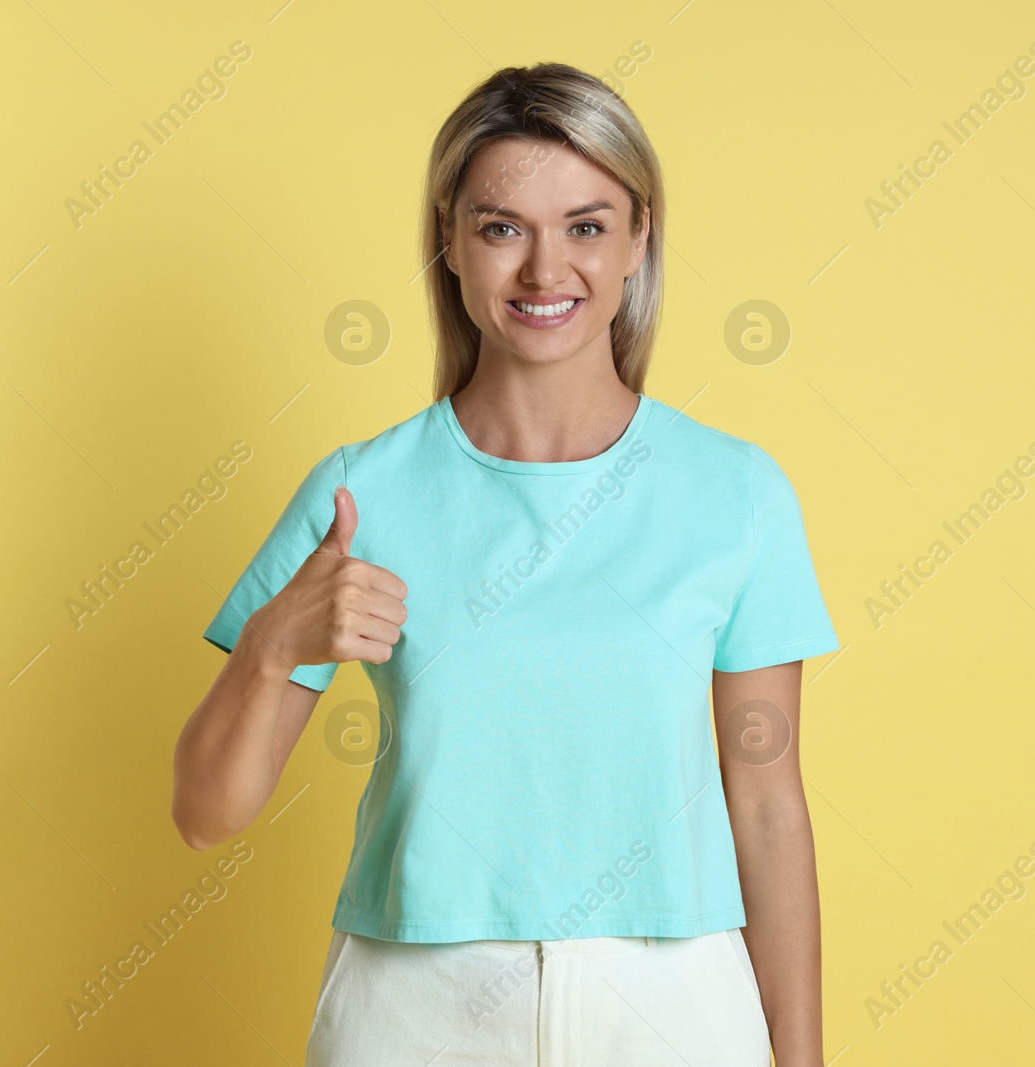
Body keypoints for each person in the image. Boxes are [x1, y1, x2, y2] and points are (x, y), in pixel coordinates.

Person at [172, 62, 840, 1067]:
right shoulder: (363, 493)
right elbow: (202, 814)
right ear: (449, 240)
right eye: (500, 227)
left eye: (584, 225)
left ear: (637, 239)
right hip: (414, 1003)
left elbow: (768, 803)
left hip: (674, 998)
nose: (544, 270)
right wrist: (270, 644)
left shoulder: (733, 492)